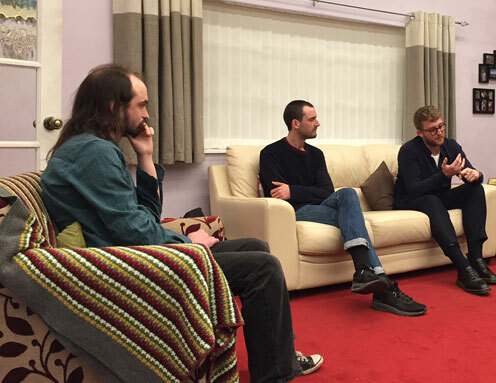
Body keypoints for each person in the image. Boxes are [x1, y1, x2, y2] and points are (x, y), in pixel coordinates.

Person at [40, 65, 322, 383]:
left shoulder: (87, 146)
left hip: (126, 251)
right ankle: (277, 373)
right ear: (113, 107)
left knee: (256, 248)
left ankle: (279, 355)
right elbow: (133, 230)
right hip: (124, 265)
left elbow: (141, 217)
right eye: (141, 105)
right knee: (263, 268)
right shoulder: (95, 152)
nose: (146, 115)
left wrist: (146, 158)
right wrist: (190, 242)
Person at [259, 100, 426, 317]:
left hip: (320, 207)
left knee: (347, 193)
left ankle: (365, 272)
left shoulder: (316, 154)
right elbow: (278, 196)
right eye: (312, 119)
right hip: (296, 211)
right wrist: (298, 193)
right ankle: (384, 288)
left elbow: (327, 191)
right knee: (355, 219)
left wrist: (294, 190)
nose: (318, 123)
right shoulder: (271, 154)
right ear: (295, 123)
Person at [394, 106, 496, 296]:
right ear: (420, 132)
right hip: (410, 201)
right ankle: (463, 268)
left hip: (438, 197)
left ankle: (476, 259)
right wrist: (443, 175)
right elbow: (414, 189)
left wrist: (476, 175)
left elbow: (470, 172)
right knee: (432, 200)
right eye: (432, 129)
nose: (439, 132)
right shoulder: (408, 151)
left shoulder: (451, 146)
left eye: (441, 126)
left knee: (475, 190)